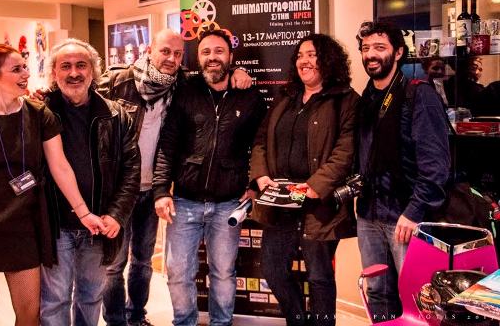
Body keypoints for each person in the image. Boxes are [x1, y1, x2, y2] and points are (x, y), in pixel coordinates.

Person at [0, 38, 141, 326]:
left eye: (81, 65)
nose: (74, 73)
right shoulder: (39, 108)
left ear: (93, 71)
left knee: (90, 297)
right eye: (65, 66)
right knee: (53, 301)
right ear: (54, 73)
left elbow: (131, 170)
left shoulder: (115, 115)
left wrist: (116, 214)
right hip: (53, 223)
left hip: (98, 222)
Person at [98, 28, 252, 326]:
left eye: (178, 54)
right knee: (114, 265)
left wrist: (237, 71)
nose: (171, 58)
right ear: (149, 50)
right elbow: (82, 100)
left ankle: (136, 316)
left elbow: (214, 73)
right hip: (119, 190)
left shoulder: (181, 84)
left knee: (142, 261)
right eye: (165, 51)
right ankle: (116, 321)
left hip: (151, 189)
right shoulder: (119, 81)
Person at [153, 29, 266, 326]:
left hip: (229, 203)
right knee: (178, 272)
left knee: (224, 272)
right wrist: (161, 190)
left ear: (231, 56)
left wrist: (254, 184)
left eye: (219, 51)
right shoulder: (184, 91)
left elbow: (261, 145)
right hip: (184, 201)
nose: (212, 57)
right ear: (198, 58)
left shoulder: (250, 97)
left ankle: (221, 323)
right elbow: (168, 143)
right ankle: (184, 322)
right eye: (205, 52)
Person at [249, 34, 359, 326]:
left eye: (312, 55)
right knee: (273, 270)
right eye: (299, 55)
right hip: (280, 202)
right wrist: (261, 175)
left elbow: (345, 152)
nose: (304, 61)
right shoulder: (285, 96)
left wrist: (315, 185)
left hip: (319, 205)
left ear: (328, 60)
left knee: (320, 277)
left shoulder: (346, 99)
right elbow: (260, 140)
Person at [355, 21, 450, 322]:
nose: (371, 54)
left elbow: (436, 166)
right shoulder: (367, 97)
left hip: (406, 217)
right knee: (378, 294)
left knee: (418, 299)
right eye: (366, 48)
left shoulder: (418, 94)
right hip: (368, 215)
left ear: (397, 53)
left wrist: (414, 211)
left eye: (379, 47)